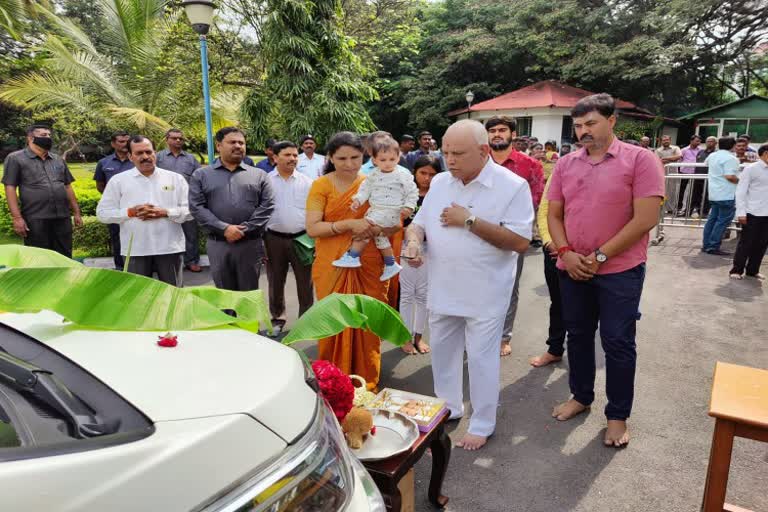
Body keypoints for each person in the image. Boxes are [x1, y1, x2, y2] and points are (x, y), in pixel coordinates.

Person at [404, 119, 533, 450]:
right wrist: (415, 242)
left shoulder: (512, 185)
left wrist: (469, 221)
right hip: (444, 285)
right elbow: (418, 224)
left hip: (485, 291)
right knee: (444, 352)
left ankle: (483, 422)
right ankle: (448, 407)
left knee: (480, 357)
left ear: (484, 151)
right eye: (446, 151)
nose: (450, 159)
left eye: (458, 153)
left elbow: (520, 241)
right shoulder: (441, 182)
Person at [547, 93, 664, 448]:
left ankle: (617, 416)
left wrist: (597, 258)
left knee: (617, 341)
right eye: (578, 125)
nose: (583, 131)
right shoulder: (566, 164)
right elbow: (554, 214)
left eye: (591, 123)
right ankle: (581, 397)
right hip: (572, 267)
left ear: (612, 121)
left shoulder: (641, 160)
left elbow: (646, 219)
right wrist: (566, 253)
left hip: (620, 270)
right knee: (578, 335)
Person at [305, 131, 402, 390]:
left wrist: (377, 227)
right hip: (332, 262)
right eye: (342, 158)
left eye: (355, 157)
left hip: (368, 261)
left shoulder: (376, 182)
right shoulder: (321, 185)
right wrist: (349, 223)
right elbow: (313, 228)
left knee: (366, 319)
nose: (349, 164)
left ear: (365, 156)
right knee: (334, 319)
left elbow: (393, 222)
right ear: (330, 158)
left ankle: (366, 377)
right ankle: (332, 379)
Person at [485, 116, 544, 357]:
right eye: (492, 131)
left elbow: (535, 200)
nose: (497, 134)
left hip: (512, 235)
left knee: (508, 286)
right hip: (476, 232)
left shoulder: (530, 165)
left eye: (502, 130)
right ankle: (479, 332)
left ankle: (503, 336)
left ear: (512, 134)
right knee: (479, 284)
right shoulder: (477, 161)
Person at [96, 136, 190, 286]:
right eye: (139, 153)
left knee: (174, 294)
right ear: (130, 156)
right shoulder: (118, 181)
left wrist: (165, 212)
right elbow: (102, 213)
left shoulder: (175, 179)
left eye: (148, 152)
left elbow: (190, 211)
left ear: (155, 153)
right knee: (137, 297)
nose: (145, 157)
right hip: (135, 250)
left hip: (169, 248)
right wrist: (130, 212)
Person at [189, 127, 275, 291]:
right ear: (219, 145)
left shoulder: (259, 175)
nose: (238, 146)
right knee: (224, 293)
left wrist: (244, 229)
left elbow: (267, 206)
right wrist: (224, 228)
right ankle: (228, 318)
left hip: (249, 244)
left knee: (248, 293)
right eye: (232, 142)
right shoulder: (201, 175)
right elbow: (197, 207)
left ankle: (249, 318)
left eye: (241, 143)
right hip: (218, 244)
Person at [333, 135, 418, 281]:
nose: (387, 163)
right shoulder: (373, 174)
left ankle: (353, 256)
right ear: (375, 160)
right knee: (380, 238)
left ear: (398, 157)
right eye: (383, 160)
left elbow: (412, 191)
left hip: (391, 211)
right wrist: (358, 200)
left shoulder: (403, 174)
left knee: (365, 229)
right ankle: (390, 263)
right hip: (376, 210)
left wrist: (409, 207)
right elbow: (365, 190)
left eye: (392, 159)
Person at [2, 124, 82, 257]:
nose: (48, 138)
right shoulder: (16, 158)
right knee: (39, 257)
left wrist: (77, 212)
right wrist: (17, 218)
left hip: (62, 217)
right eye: (43, 135)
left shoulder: (57, 159)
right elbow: (10, 187)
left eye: (49, 135)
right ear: (30, 138)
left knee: (64, 255)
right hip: (36, 218)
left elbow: (67, 186)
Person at [264, 141, 314, 335]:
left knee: (306, 282)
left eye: (295, 155)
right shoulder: (265, 181)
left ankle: (307, 322)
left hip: (302, 239)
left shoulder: (307, 182)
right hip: (273, 238)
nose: (293, 158)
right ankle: (277, 319)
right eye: (288, 155)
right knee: (275, 281)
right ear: (275, 157)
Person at [399, 154, 440, 355]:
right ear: (414, 172)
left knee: (423, 295)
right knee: (407, 294)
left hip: (431, 249)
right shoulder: (406, 194)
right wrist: (409, 250)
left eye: (432, 174)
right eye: (423, 173)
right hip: (405, 247)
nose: (427, 178)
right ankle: (405, 337)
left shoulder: (439, 195)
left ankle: (418, 336)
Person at [530, 173, 566, 368]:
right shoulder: (564, 167)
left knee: (588, 309)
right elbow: (544, 211)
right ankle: (555, 349)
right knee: (559, 302)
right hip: (554, 250)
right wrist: (550, 243)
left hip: (592, 253)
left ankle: (582, 360)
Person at [156, 128, 203, 272]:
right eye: (174, 138)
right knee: (164, 232)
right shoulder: (158, 157)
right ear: (167, 140)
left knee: (190, 233)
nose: (178, 141)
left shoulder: (190, 159)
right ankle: (165, 263)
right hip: (164, 202)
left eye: (180, 139)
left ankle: (192, 261)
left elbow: (199, 178)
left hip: (187, 202)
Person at [94, 130, 133, 269]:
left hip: (135, 207)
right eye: (121, 142)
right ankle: (120, 267)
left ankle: (142, 267)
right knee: (117, 238)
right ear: (113, 144)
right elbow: (100, 185)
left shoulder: (137, 161)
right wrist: (113, 198)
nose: (125, 144)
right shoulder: (104, 162)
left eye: (127, 142)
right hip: (115, 208)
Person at [729, 144, 768, 280]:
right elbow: (741, 191)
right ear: (765, 154)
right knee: (746, 243)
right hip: (752, 212)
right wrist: (741, 212)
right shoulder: (751, 169)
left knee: (762, 243)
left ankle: (753, 270)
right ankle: (737, 270)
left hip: (766, 213)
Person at [702, 137, 740, 256]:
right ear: (733, 146)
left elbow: (706, 163)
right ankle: (713, 246)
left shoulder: (713, 155)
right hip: (726, 194)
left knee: (712, 220)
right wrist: (741, 181)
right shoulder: (731, 158)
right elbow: (730, 176)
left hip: (714, 193)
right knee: (722, 222)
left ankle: (706, 244)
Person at [676, 135, 703, 216]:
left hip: (696, 172)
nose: (698, 142)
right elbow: (680, 160)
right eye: (697, 141)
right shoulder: (684, 150)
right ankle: (679, 207)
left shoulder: (701, 150)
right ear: (691, 141)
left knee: (694, 191)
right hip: (685, 171)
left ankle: (692, 208)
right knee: (682, 190)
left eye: (699, 141)